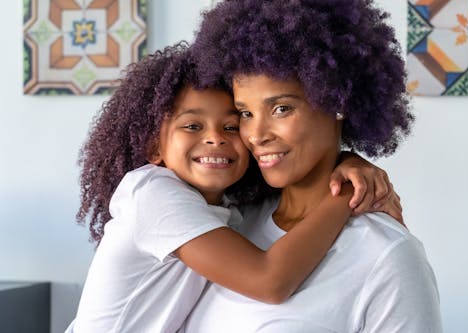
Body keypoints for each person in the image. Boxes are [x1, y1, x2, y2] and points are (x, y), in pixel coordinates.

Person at [67, 43, 399, 332]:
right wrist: (345, 193)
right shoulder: (154, 194)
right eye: (192, 125)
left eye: (231, 124)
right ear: (155, 148)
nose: (215, 138)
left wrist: (348, 160)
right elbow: (268, 280)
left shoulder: (229, 210)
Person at [180, 0, 442, 332]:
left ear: (337, 102)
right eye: (245, 113)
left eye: (281, 109)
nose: (256, 135)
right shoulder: (230, 217)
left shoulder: (388, 255)